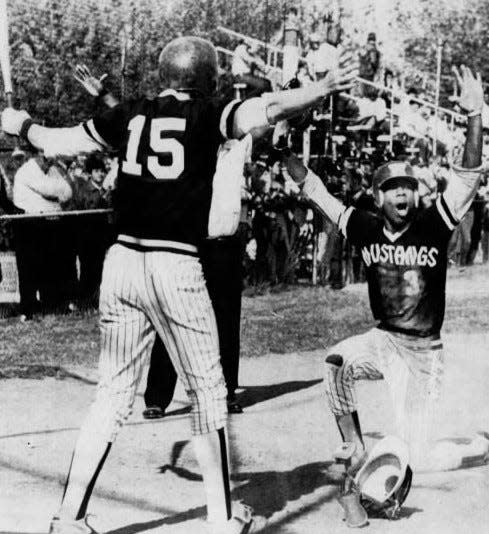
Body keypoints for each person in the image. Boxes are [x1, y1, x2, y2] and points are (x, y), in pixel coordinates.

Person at [2, 36, 356, 534]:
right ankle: (221, 518)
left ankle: (68, 517)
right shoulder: (209, 113)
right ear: (208, 78)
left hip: (122, 259)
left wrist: (21, 124)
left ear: (164, 74)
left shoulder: (129, 113)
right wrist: (320, 90)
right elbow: (271, 106)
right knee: (209, 392)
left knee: (111, 394)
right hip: (175, 261)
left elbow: (53, 142)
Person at [277, 65, 489, 475]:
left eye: (407, 186)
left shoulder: (434, 222)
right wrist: (285, 155)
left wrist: (475, 115)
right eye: (393, 188)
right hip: (384, 340)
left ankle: (479, 448)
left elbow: (466, 179)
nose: (403, 193)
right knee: (337, 361)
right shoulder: (364, 225)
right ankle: (353, 447)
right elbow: (317, 191)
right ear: (378, 197)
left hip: (424, 354)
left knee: (420, 459)